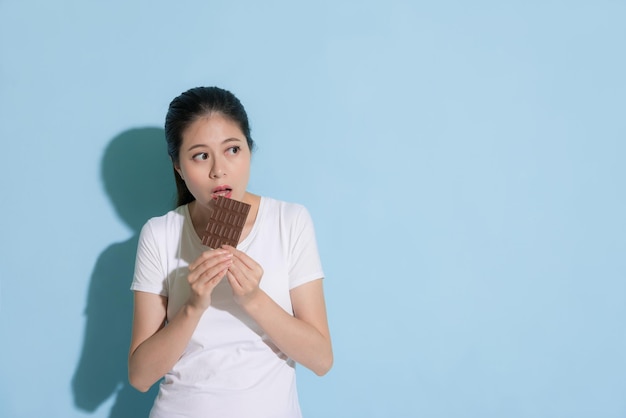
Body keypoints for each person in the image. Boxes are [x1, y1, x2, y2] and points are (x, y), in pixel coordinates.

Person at [128, 86, 333, 418]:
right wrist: (193, 307)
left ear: (249, 150)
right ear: (178, 166)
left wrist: (253, 298)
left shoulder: (289, 221)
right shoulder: (160, 234)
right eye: (200, 155)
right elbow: (140, 376)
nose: (218, 170)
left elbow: (321, 360)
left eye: (232, 150)